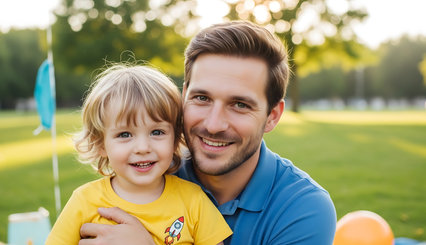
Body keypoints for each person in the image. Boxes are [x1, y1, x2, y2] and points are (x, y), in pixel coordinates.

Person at [79, 21, 337, 245]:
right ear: (184, 95)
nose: (214, 125)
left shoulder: (302, 208)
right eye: (202, 98)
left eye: (240, 104)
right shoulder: (148, 171)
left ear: (272, 116)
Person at [46, 64, 232, 245]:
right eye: (124, 135)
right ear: (100, 143)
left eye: (157, 132)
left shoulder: (194, 201)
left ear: (175, 138)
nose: (142, 148)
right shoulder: (85, 201)